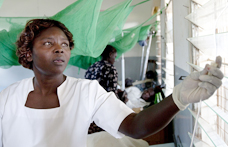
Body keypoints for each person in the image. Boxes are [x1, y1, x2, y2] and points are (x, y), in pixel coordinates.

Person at [0, 18, 224, 147]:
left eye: (65, 44)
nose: (60, 48)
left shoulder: (85, 92)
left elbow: (135, 126)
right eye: (48, 43)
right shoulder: (9, 97)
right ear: (28, 53)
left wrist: (179, 98)